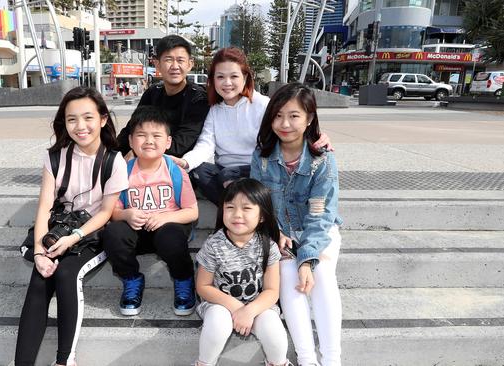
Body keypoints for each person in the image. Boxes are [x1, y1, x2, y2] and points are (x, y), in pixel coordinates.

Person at [14, 87, 129, 366]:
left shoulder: (114, 160)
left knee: (66, 274)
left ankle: (65, 361)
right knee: (40, 278)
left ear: (103, 119)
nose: (81, 126)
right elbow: (44, 206)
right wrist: (40, 252)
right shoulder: (54, 157)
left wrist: (75, 236)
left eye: (88, 117)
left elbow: (105, 213)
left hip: (90, 234)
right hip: (58, 227)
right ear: (64, 123)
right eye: (72, 119)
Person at [251, 83, 343, 366]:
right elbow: (259, 205)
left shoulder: (322, 160)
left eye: (294, 116)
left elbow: (321, 215)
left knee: (321, 274)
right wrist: (275, 232)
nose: (285, 124)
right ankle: (306, 359)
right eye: (278, 116)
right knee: (288, 278)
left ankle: (331, 360)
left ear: (309, 118)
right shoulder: (262, 157)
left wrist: (307, 258)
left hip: (318, 231)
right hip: (278, 233)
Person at [173, 47, 331, 205]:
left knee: (228, 175)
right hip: (224, 170)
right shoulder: (214, 110)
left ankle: (237, 207)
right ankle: (241, 207)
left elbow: (287, 129)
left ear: (245, 76)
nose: (227, 83)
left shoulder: (262, 104)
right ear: (213, 80)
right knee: (199, 172)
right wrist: (186, 161)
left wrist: (317, 137)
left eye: (234, 76)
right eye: (220, 77)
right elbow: (205, 144)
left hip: (258, 168)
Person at [102, 106, 199, 316]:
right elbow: (113, 212)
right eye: (141, 135)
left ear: (168, 142)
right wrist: (126, 214)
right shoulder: (122, 172)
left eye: (156, 135)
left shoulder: (175, 171)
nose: (149, 141)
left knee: (171, 237)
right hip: (137, 230)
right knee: (112, 234)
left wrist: (166, 217)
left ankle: (183, 280)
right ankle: (131, 279)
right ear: (130, 141)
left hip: (168, 228)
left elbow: (192, 211)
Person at [194, 178, 292, 366]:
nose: (237, 214)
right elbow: (203, 286)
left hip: (257, 305)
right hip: (220, 304)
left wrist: (250, 310)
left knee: (273, 329)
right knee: (218, 323)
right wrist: (237, 308)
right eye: (230, 207)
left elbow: (272, 291)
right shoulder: (213, 245)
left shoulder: (268, 246)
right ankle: (204, 363)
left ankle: (278, 363)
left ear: (262, 215)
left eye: (246, 208)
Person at [117, 34, 210, 159]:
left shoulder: (198, 98)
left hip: (180, 166)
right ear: (157, 64)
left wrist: (137, 152)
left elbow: (182, 144)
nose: (175, 66)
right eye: (168, 60)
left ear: (190, 64)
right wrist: (112, 153)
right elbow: (131, 128)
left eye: (180, 60)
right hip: (146, 157)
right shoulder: (152, 92)